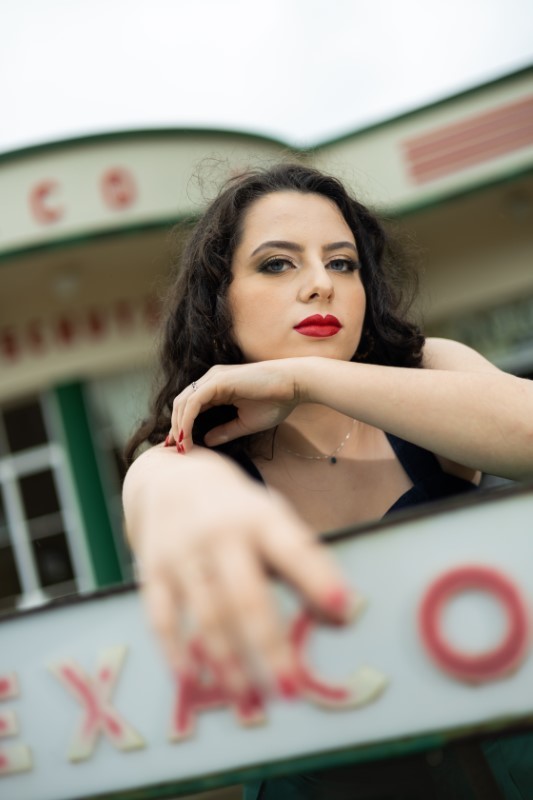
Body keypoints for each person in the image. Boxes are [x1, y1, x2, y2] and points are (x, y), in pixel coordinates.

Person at [123, 162, 533, 799]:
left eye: (342, 263)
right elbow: (164, 495)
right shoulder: (188, 458)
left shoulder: (431, 369)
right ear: (219, 298)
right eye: (277, 264)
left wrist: (304, 380)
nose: (321, 285)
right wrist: (200, 518)